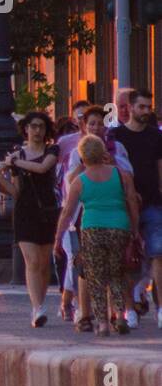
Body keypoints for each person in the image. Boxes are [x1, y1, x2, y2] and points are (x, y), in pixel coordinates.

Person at [55, 135, 140, 336]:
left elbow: (67, 212)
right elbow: (133, 203)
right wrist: (135, 229)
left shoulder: (80, 181)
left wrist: (58, 237)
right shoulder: (120, 175)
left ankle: (102, 322)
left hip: (92, 228)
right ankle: (120, 315)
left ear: (82, 156)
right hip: (119, 227)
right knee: (117, 273)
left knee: (95, 277)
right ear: (103, 152)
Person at [0, 112, 59, 327]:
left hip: (47, 210)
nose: (37, 131)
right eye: (33, 127)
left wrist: (17, 162)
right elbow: (16, 189)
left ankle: (41, 301)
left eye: (41, 127)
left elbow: (42, 168)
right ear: (26, 129)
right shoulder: (18, 155)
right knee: (31, 260)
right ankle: (37, 307)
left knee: (43, 262)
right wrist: (0, 174)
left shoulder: (51, 150)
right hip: (24, 211)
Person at [110, 89, 162, 326]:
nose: (146, 111)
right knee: (127, 257)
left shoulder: (156, 136)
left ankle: (160, 307)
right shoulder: (116, 136)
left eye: (148, 107)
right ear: (129, 107)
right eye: (141, 107)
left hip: (152, 202)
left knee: (158, 253)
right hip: (124, 203)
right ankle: (129, 308)